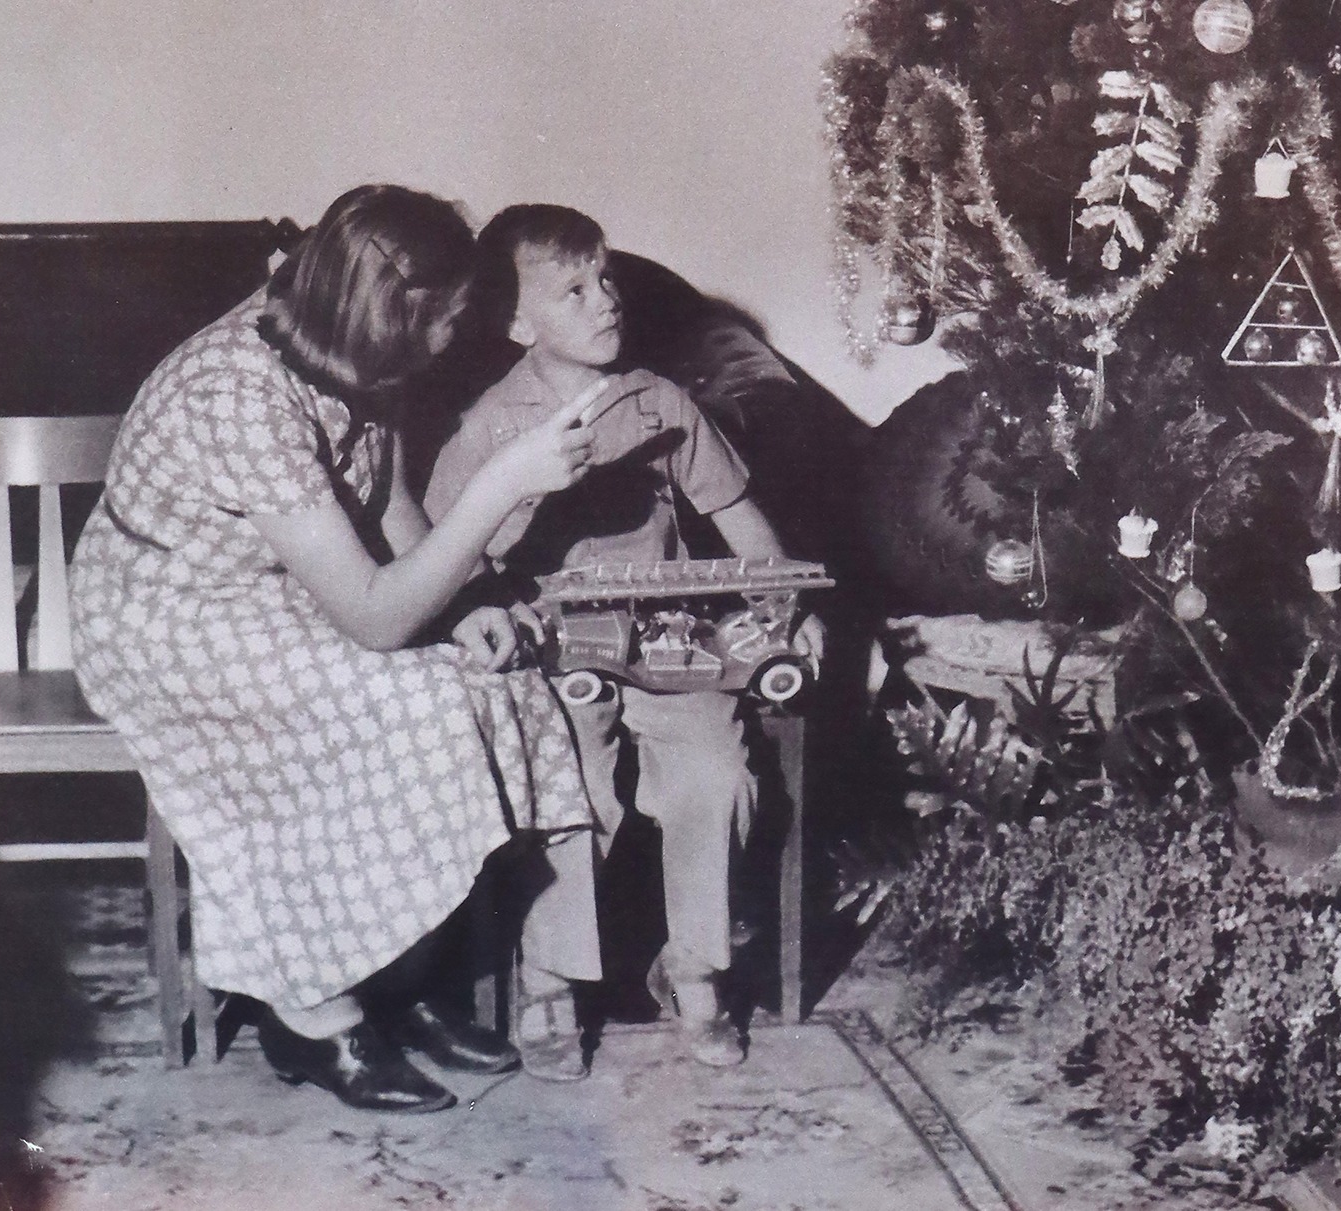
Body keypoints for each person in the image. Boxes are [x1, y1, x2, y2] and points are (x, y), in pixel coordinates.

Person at [69, 185, 603, 1113]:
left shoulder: (354, 345)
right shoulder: (238, 394)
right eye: (444, 319)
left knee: (490, 687)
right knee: (407, 704)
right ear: (386, 311)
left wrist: (464, 596)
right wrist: (501, 490)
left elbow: (383, 492)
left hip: (276, 586)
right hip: (168, 615)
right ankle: (312, 1014)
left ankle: (394, 981)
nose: (456, 335)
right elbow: (372, 620)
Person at [424, 204, 824, 1073]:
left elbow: (739, 518)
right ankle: (551, 976)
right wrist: (485, 610)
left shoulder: (660, 401)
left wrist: (789, 602)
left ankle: (693, 968)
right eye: (573, 290)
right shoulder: (493, 424)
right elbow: (442, 558)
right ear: (520, 323)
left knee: (716, 775)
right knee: (577, 782)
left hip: (669, 640)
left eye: (604, 278)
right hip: (554, 650)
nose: (605, 300)